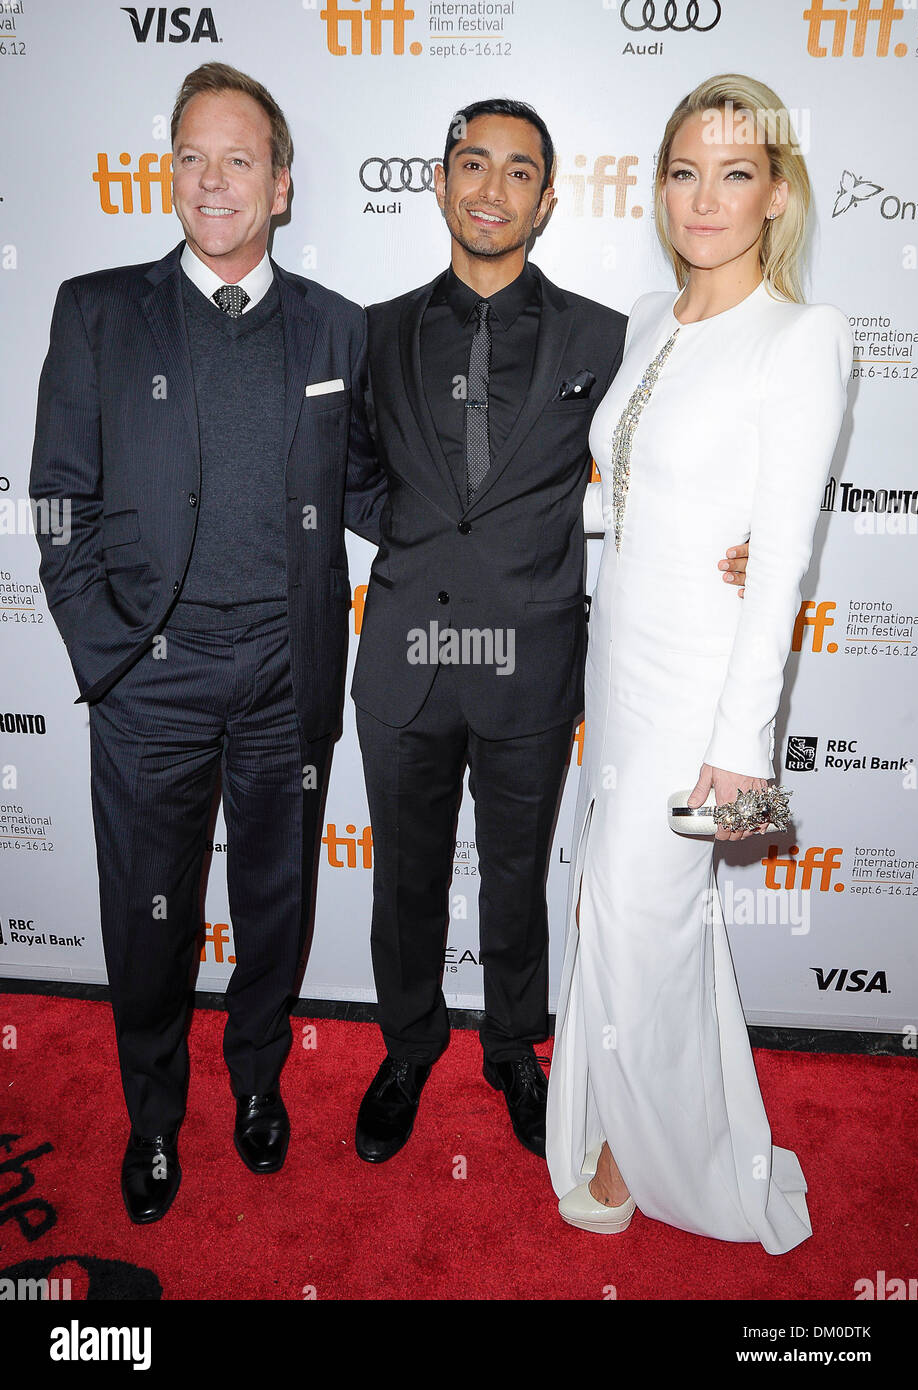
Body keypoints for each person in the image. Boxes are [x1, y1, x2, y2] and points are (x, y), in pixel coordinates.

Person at [350, 98, 750, 1164]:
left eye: (518, 171)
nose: (491, 188)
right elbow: (351, 473)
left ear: (549, 199)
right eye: (472, 165)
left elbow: (670, 456)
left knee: (520, 871)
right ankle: (406, 1043)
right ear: (438, 183)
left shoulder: (602, 337)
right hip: (405, 660)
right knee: (406, 874)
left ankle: (516, 1044)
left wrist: (737, 541)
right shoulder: (375, 329)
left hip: (531, 662)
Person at [29, 62, 386, 1223]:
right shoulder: (95, 309)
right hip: (152, 687)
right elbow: (56, 502)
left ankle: (257, 1085)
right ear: (167, 170)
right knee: (150, 918)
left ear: (283, 186)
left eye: (240, 159)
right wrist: (110, 657)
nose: (213, 180)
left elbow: (380, 492)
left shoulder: (339, 325)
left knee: (276, 905)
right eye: (193, 156)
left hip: (288, 681)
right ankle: (150, 1115)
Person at [546, 75, 851, 1253]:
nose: (706, 197)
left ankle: (651, 1145)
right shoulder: (647, 318)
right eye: (685, 171)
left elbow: (777, 560)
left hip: (702, 686)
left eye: (735, 172)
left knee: (644, 913)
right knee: (621, 910)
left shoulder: (804, 336)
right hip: (619, 656)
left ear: (777, 192)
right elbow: (623, 497)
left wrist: (741, 753)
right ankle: (633, 1105)